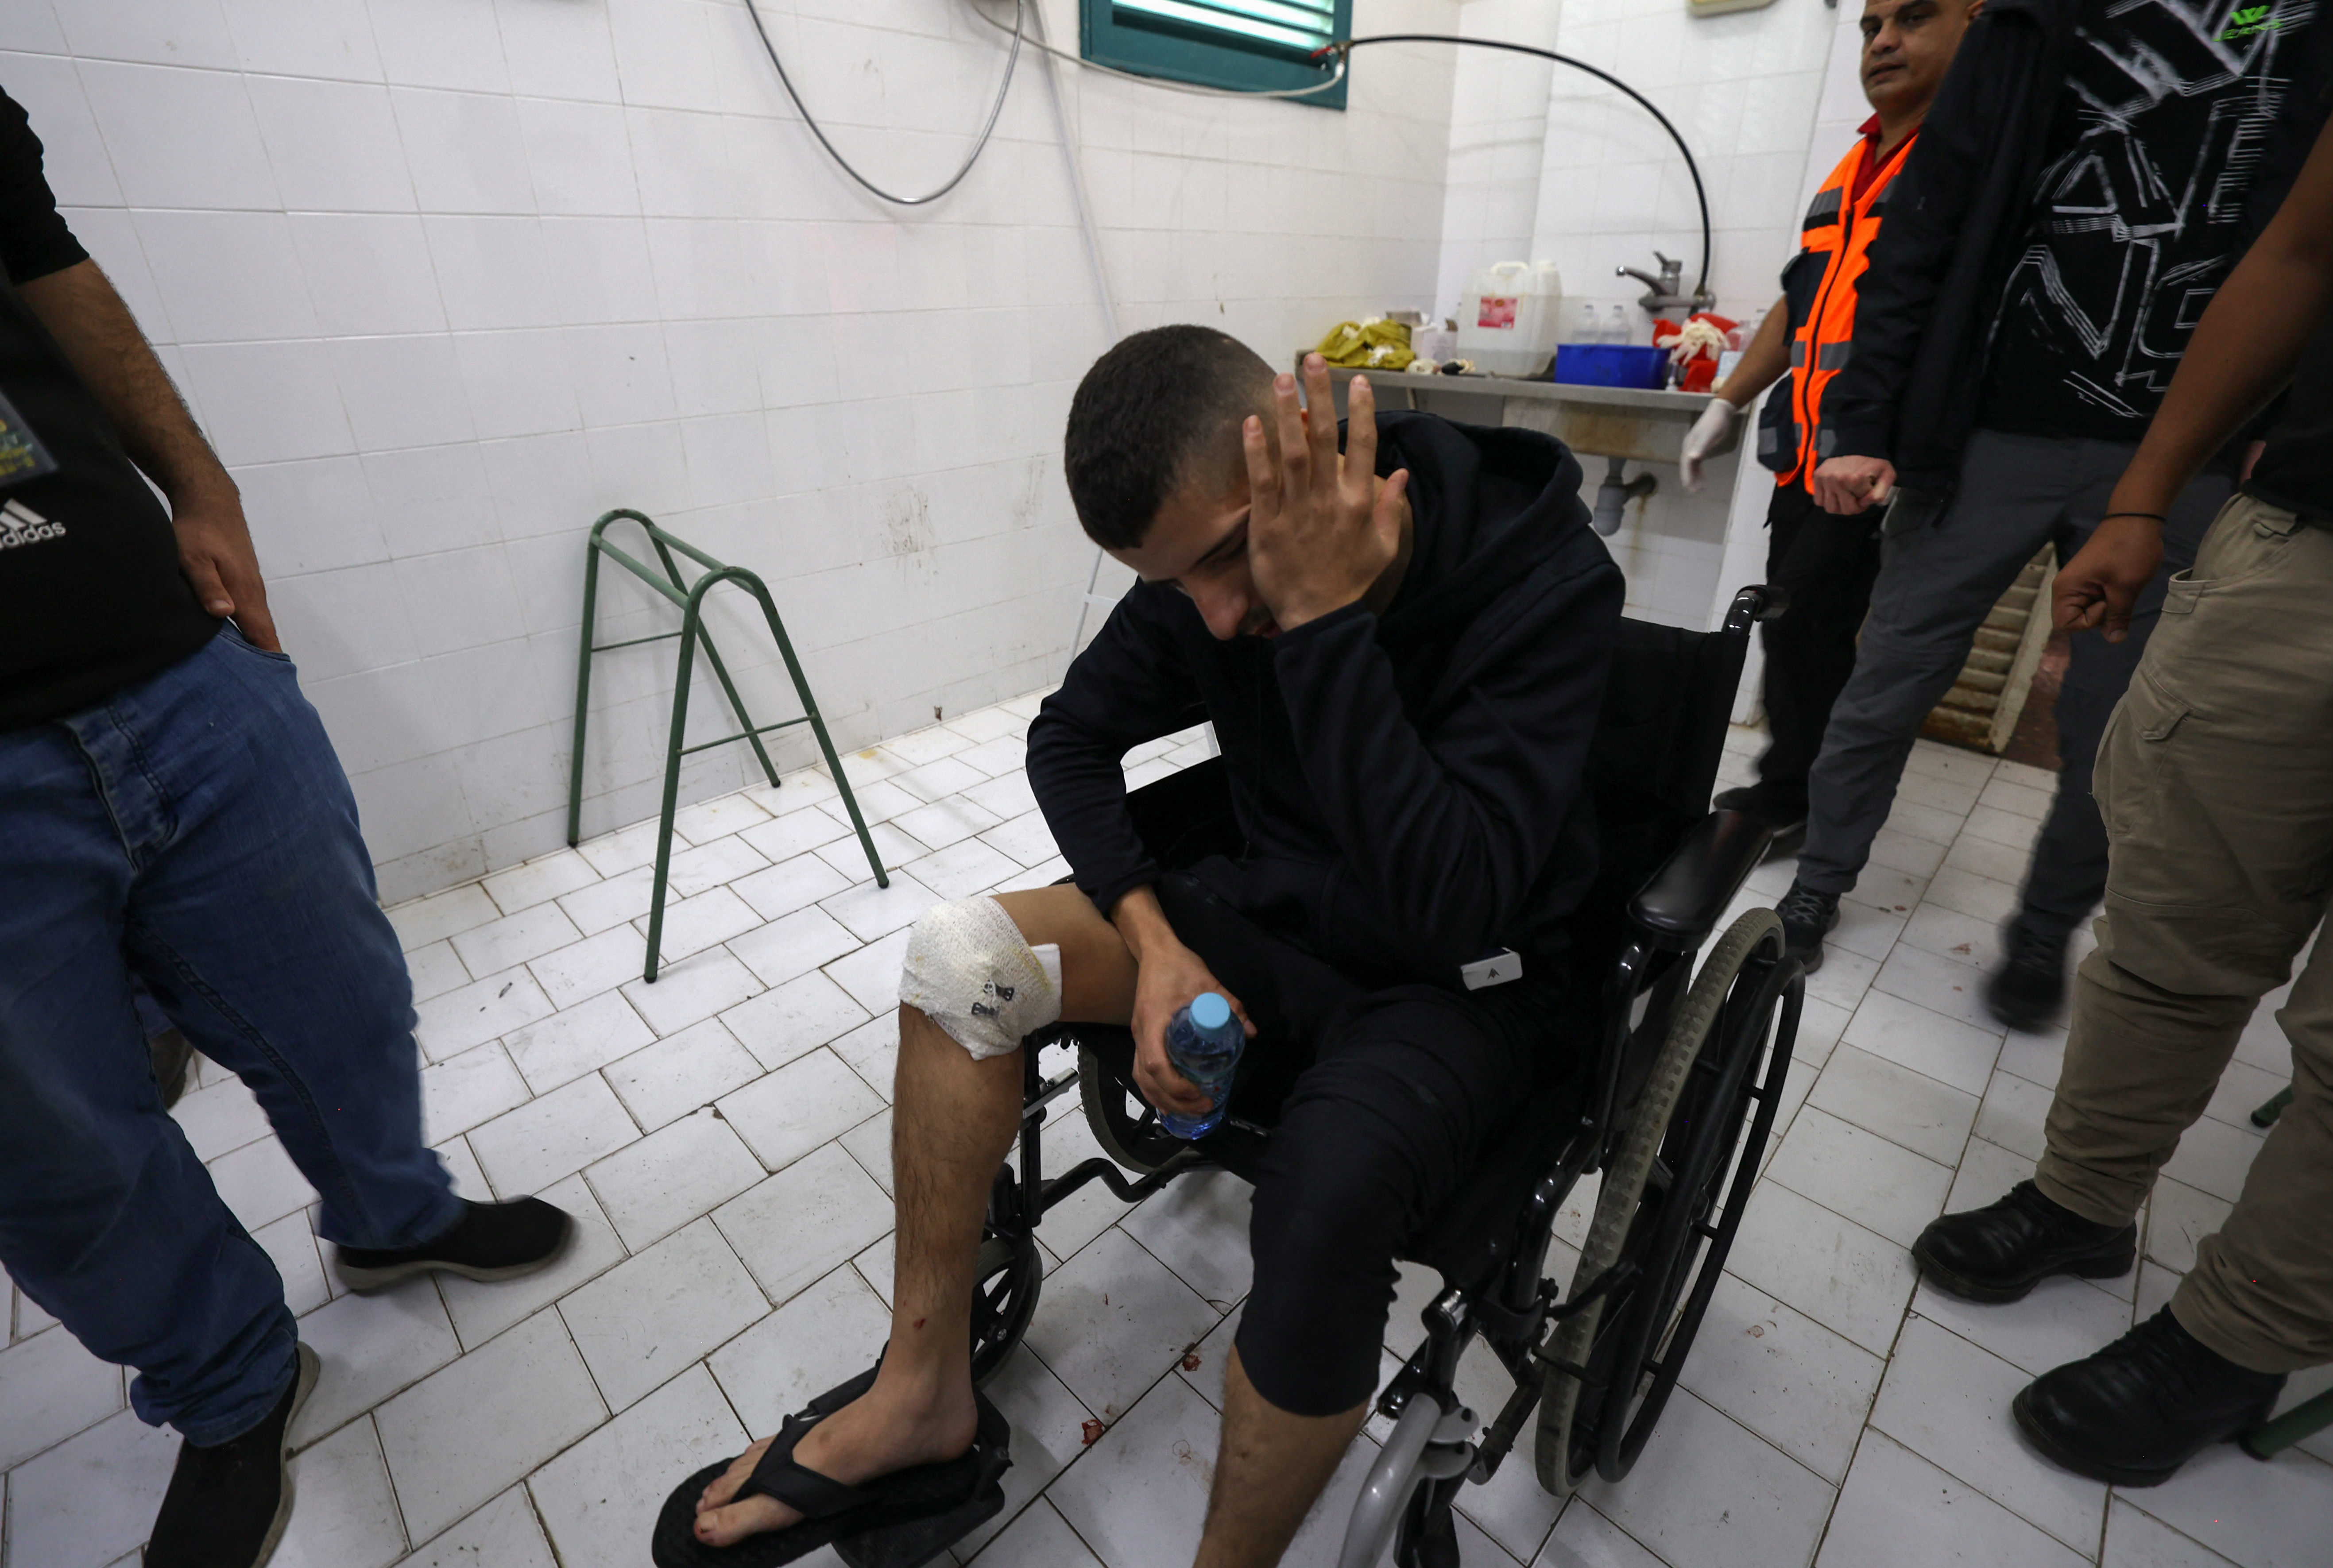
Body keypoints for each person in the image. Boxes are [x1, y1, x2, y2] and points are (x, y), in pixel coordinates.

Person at [664, 331, 1621, 1567]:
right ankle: (920, 1396)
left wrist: (1321, 618)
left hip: (1457, 982)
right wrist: (1155, 943)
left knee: (1320, 1210)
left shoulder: (1540, 578)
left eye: (1226, 559)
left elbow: (1451, 901)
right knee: (963, 960)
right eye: (1175, 583)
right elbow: (1066, 737)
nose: (1213, 613)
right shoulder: (1205, 572)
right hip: (1272, 914)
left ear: (1299, 448)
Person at [0, 88, 573, 1568]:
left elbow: (34, 246)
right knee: (61, 1161)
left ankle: (390, 1216)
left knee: (346, 998)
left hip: (164, 649)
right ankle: (232, 1383)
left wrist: (201, 481)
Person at [1911, 82, 2333, 1487]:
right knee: (2170, 926)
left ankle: (2236, 1335)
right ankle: (2085, 1198)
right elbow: (2304, 245)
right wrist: (2144, 494)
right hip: (2317, 534)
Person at [1779, 0, 2333, 1027]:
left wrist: (2284, 421)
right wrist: (1863, 418)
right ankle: (1815, 886)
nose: (1883, 38)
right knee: (1887, 679)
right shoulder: (2028, 20)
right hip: (1985, 432)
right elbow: (1923, 227)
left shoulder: (2320, 26)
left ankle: (2042, 934)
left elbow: (2319, 249)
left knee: (2113, 723)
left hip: (2186, 446)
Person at [1682, 0, 1979, 837]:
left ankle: (1807, 803)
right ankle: (1793, 791)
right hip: (1807, 458)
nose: (1882, 41)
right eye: (1869, 27)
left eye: (1911, 19)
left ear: (1976, 23)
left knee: (1818, 629)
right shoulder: (1854, 164)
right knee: (1793, 626)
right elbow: (1799, 299)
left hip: (1881, 462)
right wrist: (1727, 398)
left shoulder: (1967, 158)